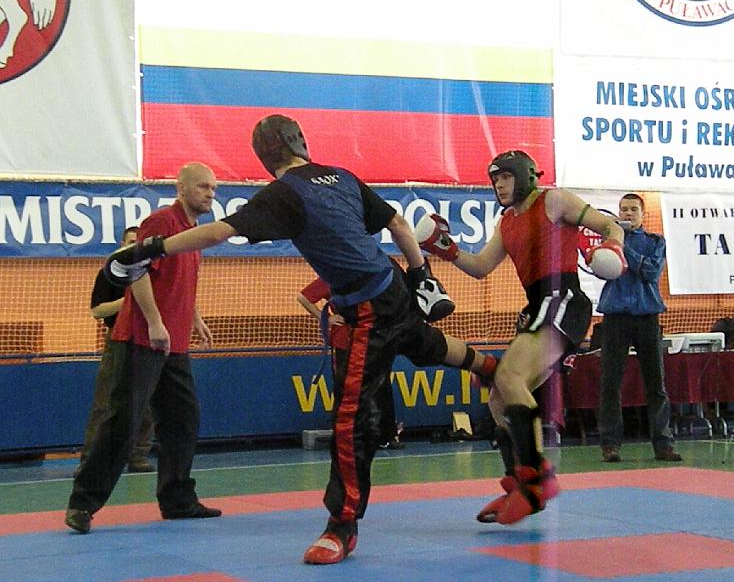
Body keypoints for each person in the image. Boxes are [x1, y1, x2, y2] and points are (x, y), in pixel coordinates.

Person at [105, 114, 498, 565]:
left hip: (367, 308)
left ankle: (342, 526)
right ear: (301, 143)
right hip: (395, 286)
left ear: (263, 155)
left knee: (349, 420)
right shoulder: (341, 176)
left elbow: (217, 232)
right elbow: (400, 227)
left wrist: (148, 249)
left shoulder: (285, 193)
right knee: (426, 345)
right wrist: (421, 276)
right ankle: (491, 367)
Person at [417, 149, 625, 524]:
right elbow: (480, 267)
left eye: (505, 177)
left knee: (511, 377)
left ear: (526, 175)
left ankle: (536, 482)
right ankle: (519, 483)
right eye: (494, 179)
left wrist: (613, 247)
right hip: (537, 305)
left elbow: (611, 226)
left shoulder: (554, 201)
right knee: (499, 398)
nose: (499, 185)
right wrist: (445, 249)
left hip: (562, 299)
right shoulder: (507, 222)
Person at [65, 162, 221, 534]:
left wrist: (193, 316)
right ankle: (82, 503)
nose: (210, 194)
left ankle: (178, 500)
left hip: (174, 344)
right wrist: (153, 321)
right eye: (203, 187)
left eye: (213, 188)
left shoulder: (193, 231)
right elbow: (136, 270)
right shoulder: (161, 221)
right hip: (140, 338)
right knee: (122, 422)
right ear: (181, 188)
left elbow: (177, 280)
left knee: (182, 421)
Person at [595, 193, 681, 464]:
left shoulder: (655, 242)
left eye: (633, 209)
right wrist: (609, 247)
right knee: (610, 383)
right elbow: (601, 269)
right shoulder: (608, 242)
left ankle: (663, 444)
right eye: (624, 209)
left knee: (656, 383)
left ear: (643, 214)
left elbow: (651, 272)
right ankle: (610, 445)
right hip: (615, 318)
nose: (628, 213)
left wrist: (622, 246)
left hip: (647, 316)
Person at [78, 226, 156, 474]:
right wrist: (129, 301)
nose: (135, 246)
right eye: (131, 242)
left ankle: (138, 455)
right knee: (105, 401)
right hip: (117, 338)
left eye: (139, 242)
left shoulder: (154, 272)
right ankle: (90, 461)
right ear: (122, 244)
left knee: (147, 403)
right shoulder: (109, 274)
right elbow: (97, 310)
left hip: (149, 339)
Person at [297, 276, 403, 450]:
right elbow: (303, 298)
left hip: (374, 339)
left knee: (381, 384)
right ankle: (348, 436)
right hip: (345, 341)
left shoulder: (373, 275)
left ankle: (387, 435)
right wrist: (326, 318)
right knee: (346, 388)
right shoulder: (332, 277)